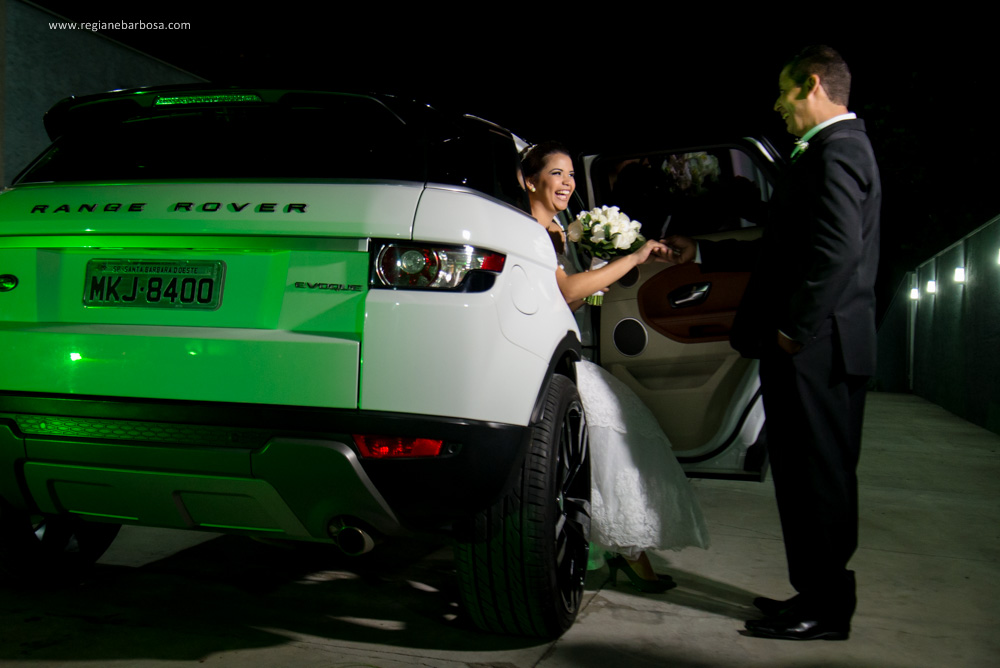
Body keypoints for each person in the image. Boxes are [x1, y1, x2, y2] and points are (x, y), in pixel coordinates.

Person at [667, 45, 880, 640]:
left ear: (810, 85)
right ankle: (813, 592)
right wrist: (703, 252)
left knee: (820, 477)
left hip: (820, 347)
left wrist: (794, 330)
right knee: (801, 473)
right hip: (817, 345)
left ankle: (827, 608)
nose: (778, 107)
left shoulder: (838, 150)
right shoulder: (830, 151)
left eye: (783, 93)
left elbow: (835, 253)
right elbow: (785, 249)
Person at [522, 141, 709, 592]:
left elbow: (576, 297)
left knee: (611, 438)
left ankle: (624, 549)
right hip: (538, 358)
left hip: (565, 348)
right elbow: (566, 293)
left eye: (570, 174)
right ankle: (617, 550)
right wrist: (630, 257)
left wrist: (603, 262)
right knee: (604, 436)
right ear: (530, 181)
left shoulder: (560, 232)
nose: (567, 182)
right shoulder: (528, 230)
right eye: (556, 174)